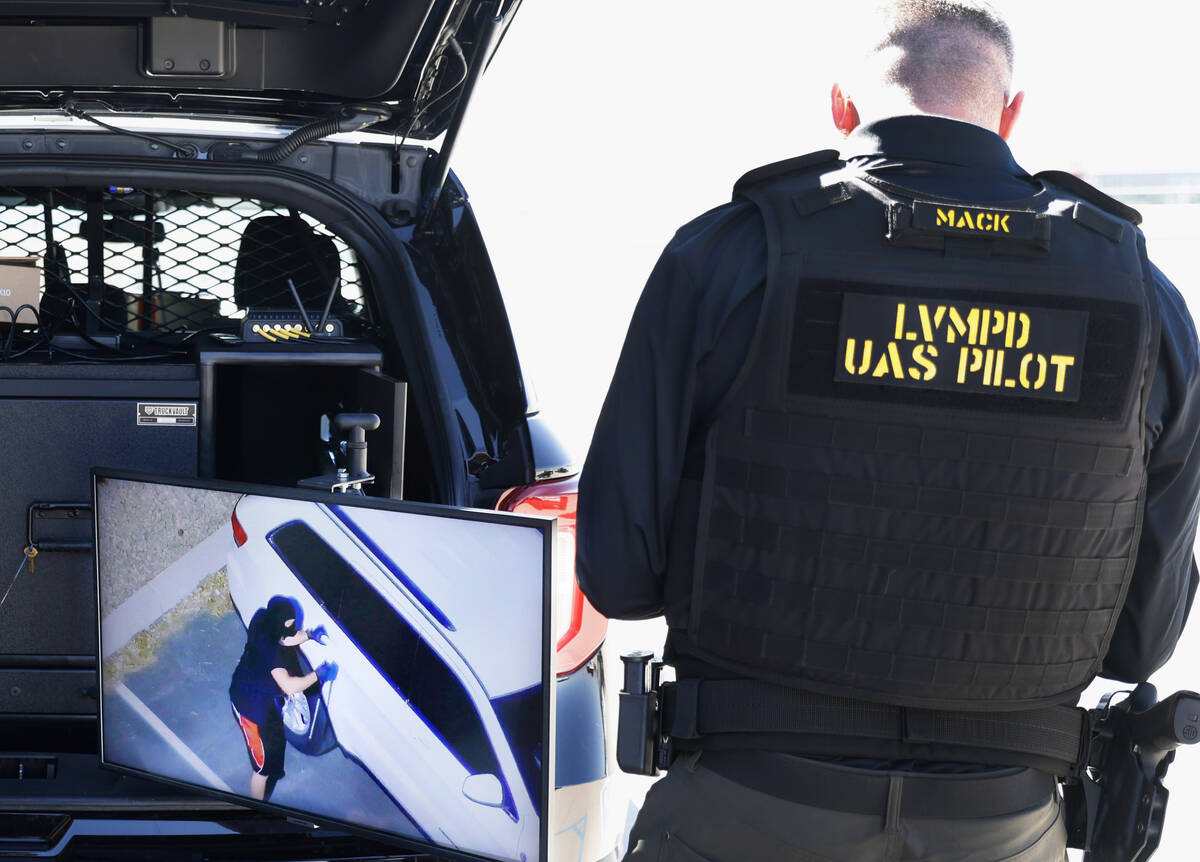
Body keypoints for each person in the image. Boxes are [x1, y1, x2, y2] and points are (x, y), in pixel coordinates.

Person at [577, 2, 1200, 860]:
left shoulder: (728, 256)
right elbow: (1139, 644)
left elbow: (618, 574)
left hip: (747, 805)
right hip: (1005, 822)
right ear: (1012, 115)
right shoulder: (1147, 302)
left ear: (841, 105)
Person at [229, 595, 334, 801]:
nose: (292, 628)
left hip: (260, 698)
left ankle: (271, 767)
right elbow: (288, 685)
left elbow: (286, 637)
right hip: (250, 709)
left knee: (273, 744)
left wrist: (309, 635)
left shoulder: (263, 618)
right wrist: (317, 676)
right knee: (262, 769)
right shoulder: (271, 651)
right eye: (289, 624)